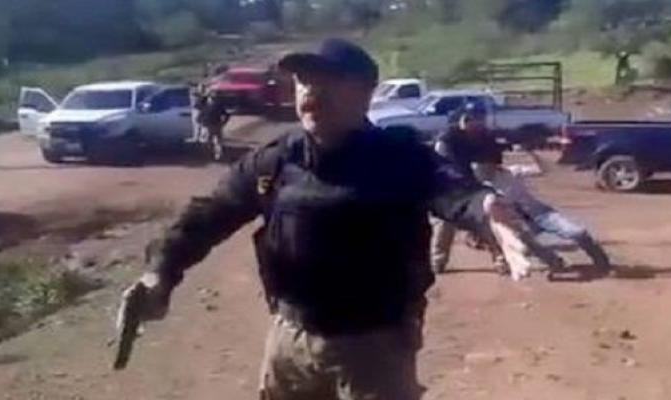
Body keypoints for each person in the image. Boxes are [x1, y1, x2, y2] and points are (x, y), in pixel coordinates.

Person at [117, 38, 521, 400]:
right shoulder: (277, 157)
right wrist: (161, 270)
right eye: (303, 80)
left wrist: (485, 208)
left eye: (327, 79)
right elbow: (208, 214)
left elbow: (451, 188)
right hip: (289, 342)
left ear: (365, 92)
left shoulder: (400, 157)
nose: (311, 90)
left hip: (373, 349)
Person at [483, 151, 613, 278]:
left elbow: (542, 169)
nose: (483, 167)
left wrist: (535, 155)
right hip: (518, 222)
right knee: (525, 243)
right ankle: (556, 263)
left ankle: (602, 261)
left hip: (540, 213)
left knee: (577, 232)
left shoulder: (512, 172)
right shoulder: (480, 188)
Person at [430, 106, 508, 274]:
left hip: (474, 183)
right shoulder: (447, 138)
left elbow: (493, 162)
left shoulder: (485, 137)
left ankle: (500, 258)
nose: (473, 123)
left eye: (477, 119)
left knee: (487, 220)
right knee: (445, 222)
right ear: (461, 119)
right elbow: (442, 164)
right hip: (448, 184)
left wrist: (485, 180)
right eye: (469, 119)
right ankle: (438, 260)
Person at [197, 94, 230, 161]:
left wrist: (201, 123)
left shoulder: (206, 106)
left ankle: (211, 154)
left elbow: (199, 117)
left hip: (209, 126)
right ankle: (218, 155)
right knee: (219, 141)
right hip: (217, 125)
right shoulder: (219, 106)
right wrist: (223, 123)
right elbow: (227, 115)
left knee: (209, 141)